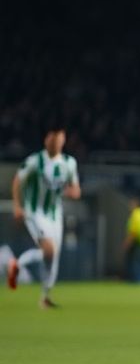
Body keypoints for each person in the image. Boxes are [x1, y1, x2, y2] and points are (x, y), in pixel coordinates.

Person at [7, 125, 80, 307]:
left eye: (59, 137)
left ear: (63, 139)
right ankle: (17, 264)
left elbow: (76, 188)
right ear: (46, 139)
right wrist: (17, 206)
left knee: (53, 256)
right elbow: (17, 180)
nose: (55, 141)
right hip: (35, 212)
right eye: (52, 137)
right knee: (49, 250)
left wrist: (73, 192)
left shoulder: (70, 163)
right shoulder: (35, 161)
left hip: (55, 214)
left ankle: (45, 297)